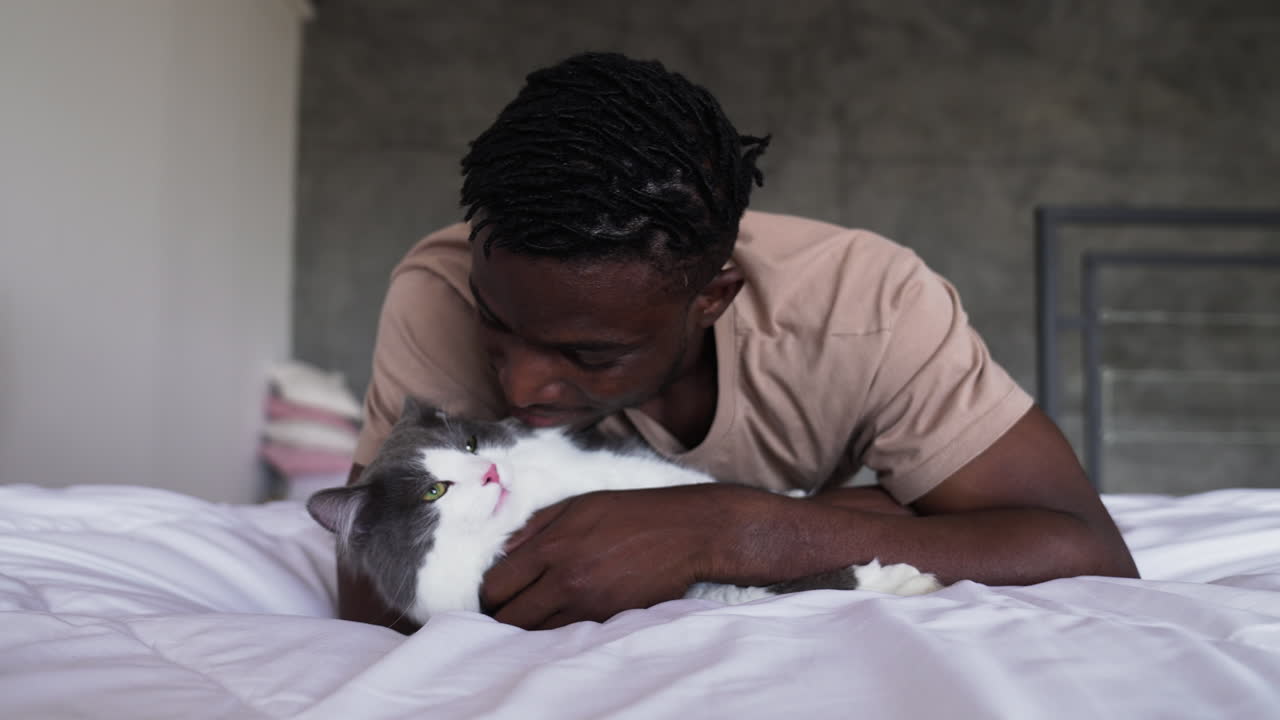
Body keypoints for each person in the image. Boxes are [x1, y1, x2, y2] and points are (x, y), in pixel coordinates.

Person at [339, 52, 1138, 632]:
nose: (520, 389)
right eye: (499, 328)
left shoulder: (872, 306)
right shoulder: (442, 290)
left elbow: (1086, 549)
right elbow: (373, 588)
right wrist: (864, 518)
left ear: (712, 298)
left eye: (590, 355)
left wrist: (732, 529)